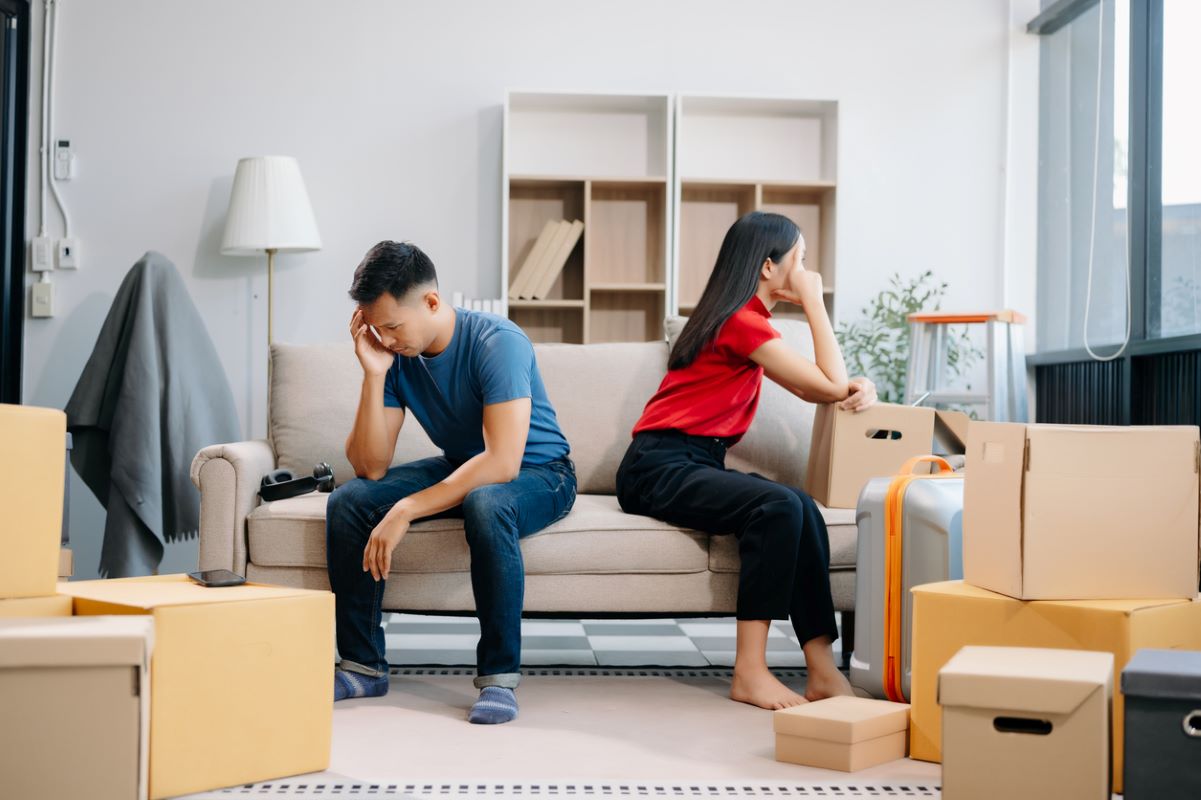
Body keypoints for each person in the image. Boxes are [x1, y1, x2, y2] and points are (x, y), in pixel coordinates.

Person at [615, 212, 876, 711]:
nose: (805, 273)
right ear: (766, 267)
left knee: (800, 506)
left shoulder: (743, 320)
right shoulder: (740, 321)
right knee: (775, 508)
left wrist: (851, 385)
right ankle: (750, 672)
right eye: (799, 260)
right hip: (657, 466)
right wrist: (817, 304)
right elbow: (824, 386)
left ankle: (821, 669)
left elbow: (821, 386)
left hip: (692, 461)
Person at [327, 240, 576, 724]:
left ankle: (499, 679)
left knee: (487, 503)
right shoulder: (394, 356)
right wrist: (374, 374)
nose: (388, 338)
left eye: (393, 326)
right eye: (377, 328)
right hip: (463, 462)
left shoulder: (498, 342)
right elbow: (370, 467)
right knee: (350, 501)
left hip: (541, 472)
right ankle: (363, 666)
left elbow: (503, 464)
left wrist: (407, 508)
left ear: (433, 303)